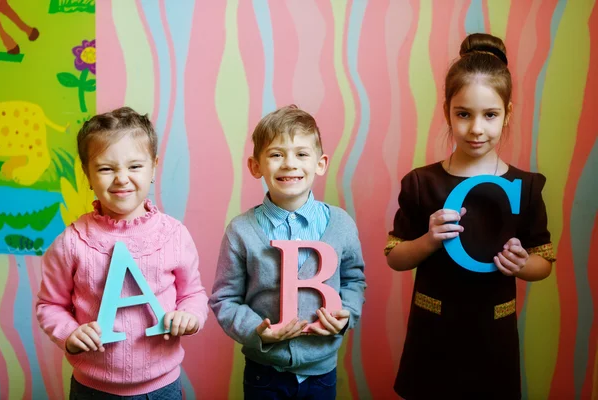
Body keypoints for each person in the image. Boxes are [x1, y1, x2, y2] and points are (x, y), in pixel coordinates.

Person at [385, 33, 555, 400]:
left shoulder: (524, 187)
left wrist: (522, 264)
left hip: (494, 335)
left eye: (490, 115)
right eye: (463, 114)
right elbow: (395, 257)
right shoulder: (421, 183)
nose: (476, 128)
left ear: (507, 113)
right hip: (433, 332)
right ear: (447, 110)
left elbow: (544, 263)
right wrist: (429, 239)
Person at [36, 107, 209, 399]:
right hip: (92, 389)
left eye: (135, 166)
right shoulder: (71, 242)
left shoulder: (174, 235)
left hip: (162, 386)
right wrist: (69, 333)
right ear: (87, 174)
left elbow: (194, 294)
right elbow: (49, 304)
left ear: (154, 167)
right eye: (106, 168)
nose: (121, 179)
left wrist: (190, 316)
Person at [209, 105, 366, 399]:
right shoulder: (241, 230)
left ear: (320, 163)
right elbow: (224, 299)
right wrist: (258, 331)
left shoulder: (341, 224)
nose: (289, 164)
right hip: (264, 372)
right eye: (276, 154)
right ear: (256, 166)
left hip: (322, 371)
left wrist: (347, 316)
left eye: (302, 154)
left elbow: (354, 280)